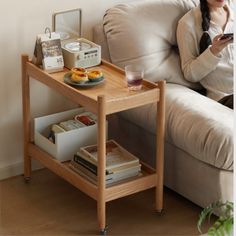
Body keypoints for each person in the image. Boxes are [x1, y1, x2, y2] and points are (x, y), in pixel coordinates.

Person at [177, 0, 234, 109]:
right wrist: (214, 51)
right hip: (225, 97)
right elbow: (190, 74)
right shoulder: (188, 24)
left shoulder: (233, 11)